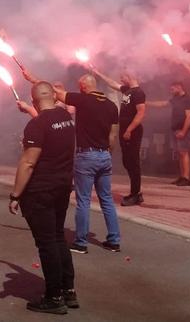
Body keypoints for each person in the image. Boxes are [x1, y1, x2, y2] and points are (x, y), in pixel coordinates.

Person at [24, 69, 120, 254]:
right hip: (105, 156)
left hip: (87, 156)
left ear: (83, 87)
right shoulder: (111, 105)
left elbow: (53, 92)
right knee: (106, 199)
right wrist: (106, 153)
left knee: (83, 200)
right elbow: (113, 136)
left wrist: (33, 79)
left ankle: (81, 243)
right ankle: (114, 241)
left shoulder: (82, 100)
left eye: (79, 86)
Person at [9, 82, 77, 315]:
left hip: (41, 191)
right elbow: (49, 126)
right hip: (62, 187)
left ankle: (53, 297)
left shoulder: (36, 125)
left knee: (47, 243)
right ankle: (68, 291)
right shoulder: (66, 117)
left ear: (34, 99)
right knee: (58, 237)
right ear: (53, 96)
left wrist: (15, 195)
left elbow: (28, 162)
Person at [92, 68, 146, 205]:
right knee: (127, 162)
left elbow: (140, 113)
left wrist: (129, 129)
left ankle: (135, 194)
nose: (121, 80)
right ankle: (137, 192)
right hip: (125, 131)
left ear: (130, 76)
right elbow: (113, 84)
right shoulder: (127, 90)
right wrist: (98, 73)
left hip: (132, 132)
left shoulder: (139, 93)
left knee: (133, 163)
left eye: (123, 77)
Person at [147, 79, 190, 186]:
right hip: (175, 129)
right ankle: (182, 177)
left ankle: (186, 178)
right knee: (180, 153)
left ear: (179, 87)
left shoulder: (188, 100)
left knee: (184, 152)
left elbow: (189, 117)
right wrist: (146, 103)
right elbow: (162, 104)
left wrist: (183, 131)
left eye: (172, 89)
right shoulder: (175, 99)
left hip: (184, 130)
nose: (171, 91)